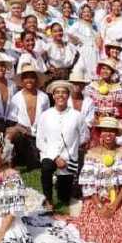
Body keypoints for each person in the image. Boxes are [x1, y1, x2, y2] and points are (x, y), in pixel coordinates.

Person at [35, 80, 88, 212]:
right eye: (57, 93)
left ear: (68, 95)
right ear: (53, 96)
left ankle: (60, 184)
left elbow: (84, 136)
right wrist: (55, 157)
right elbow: (40, 141)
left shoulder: (77, 116)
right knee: (46, 167)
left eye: (64, 93)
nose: (60, 96)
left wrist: (71, 151)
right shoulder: (45, 115)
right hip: (50, 156)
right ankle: (48, 199)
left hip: (69, 160)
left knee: (64, 198)